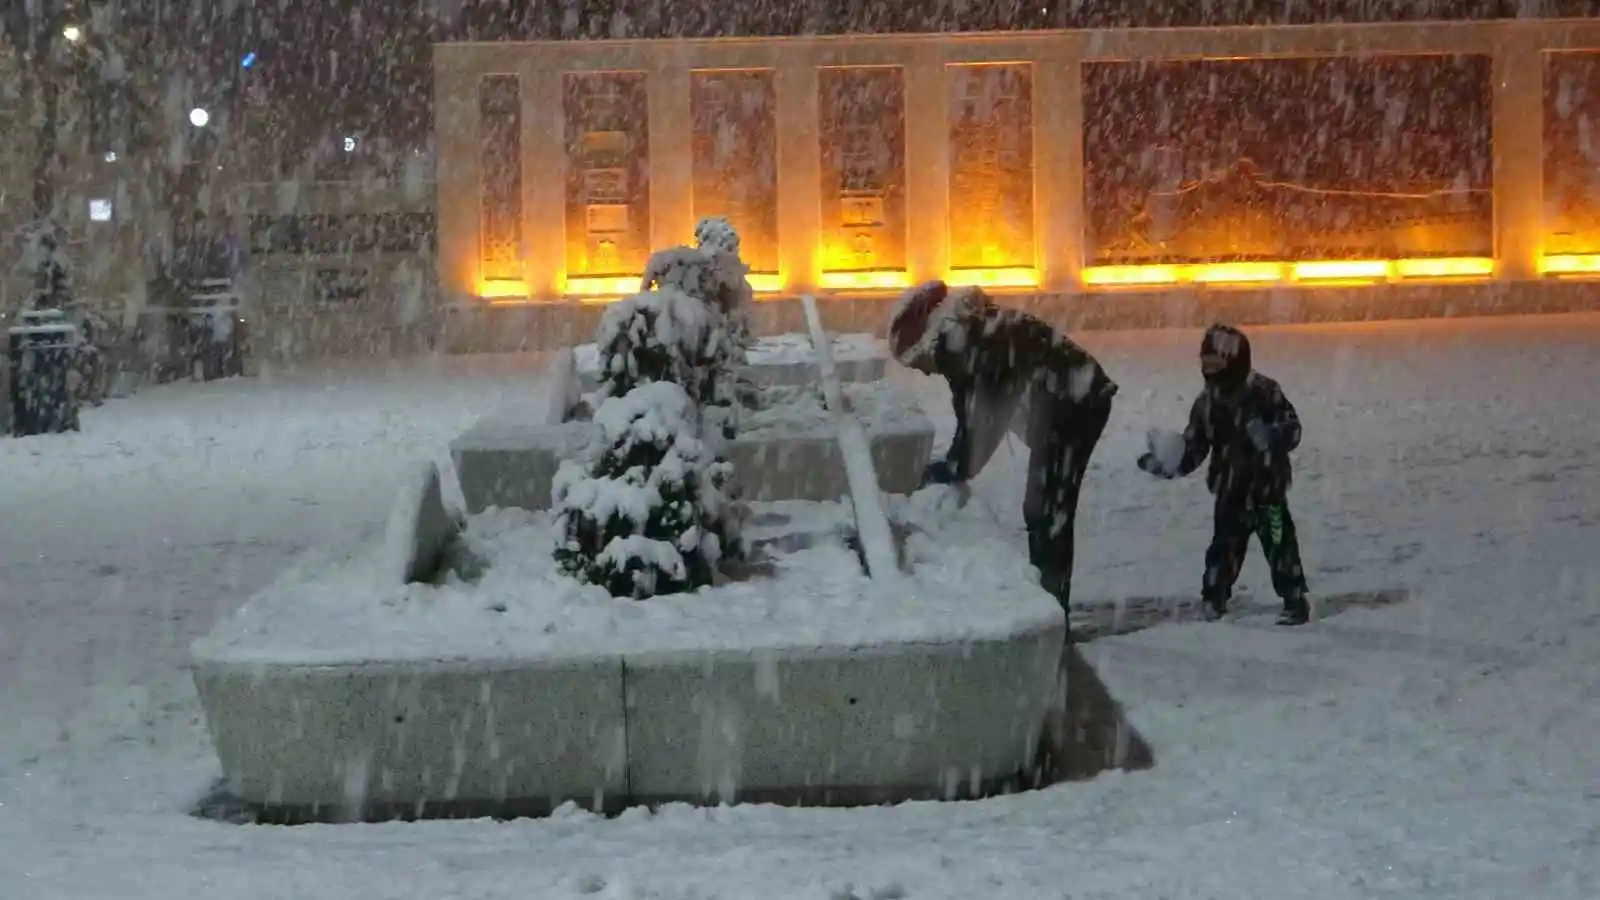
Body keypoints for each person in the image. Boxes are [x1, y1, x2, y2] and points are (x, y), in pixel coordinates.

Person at [888, 280, 1118, 620]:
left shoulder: (969, 343)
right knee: (1043, 508)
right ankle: (1050, 600)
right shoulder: (962, 337)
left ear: (923, 344)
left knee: (1046, 508)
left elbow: (984, 422)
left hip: (1076, 402)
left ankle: (1053, 611)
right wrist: (954, 463)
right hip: (1062, 399)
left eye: (916, 362)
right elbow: (969, 414)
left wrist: (956, 466)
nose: (922, 372)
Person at [1137, 323, 1311, 626]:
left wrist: (1272, 434)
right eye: (1206, 364)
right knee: (1223, 548)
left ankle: (1295, 599)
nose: (1210, 371)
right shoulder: (1206, 403)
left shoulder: (1265, 391)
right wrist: (1170, 465)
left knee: (1281, 544)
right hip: (1230, 491)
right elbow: (1195, 445)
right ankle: (1214, 598)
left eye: (1216, 364)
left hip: (1268, 490)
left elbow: (1293, 429)